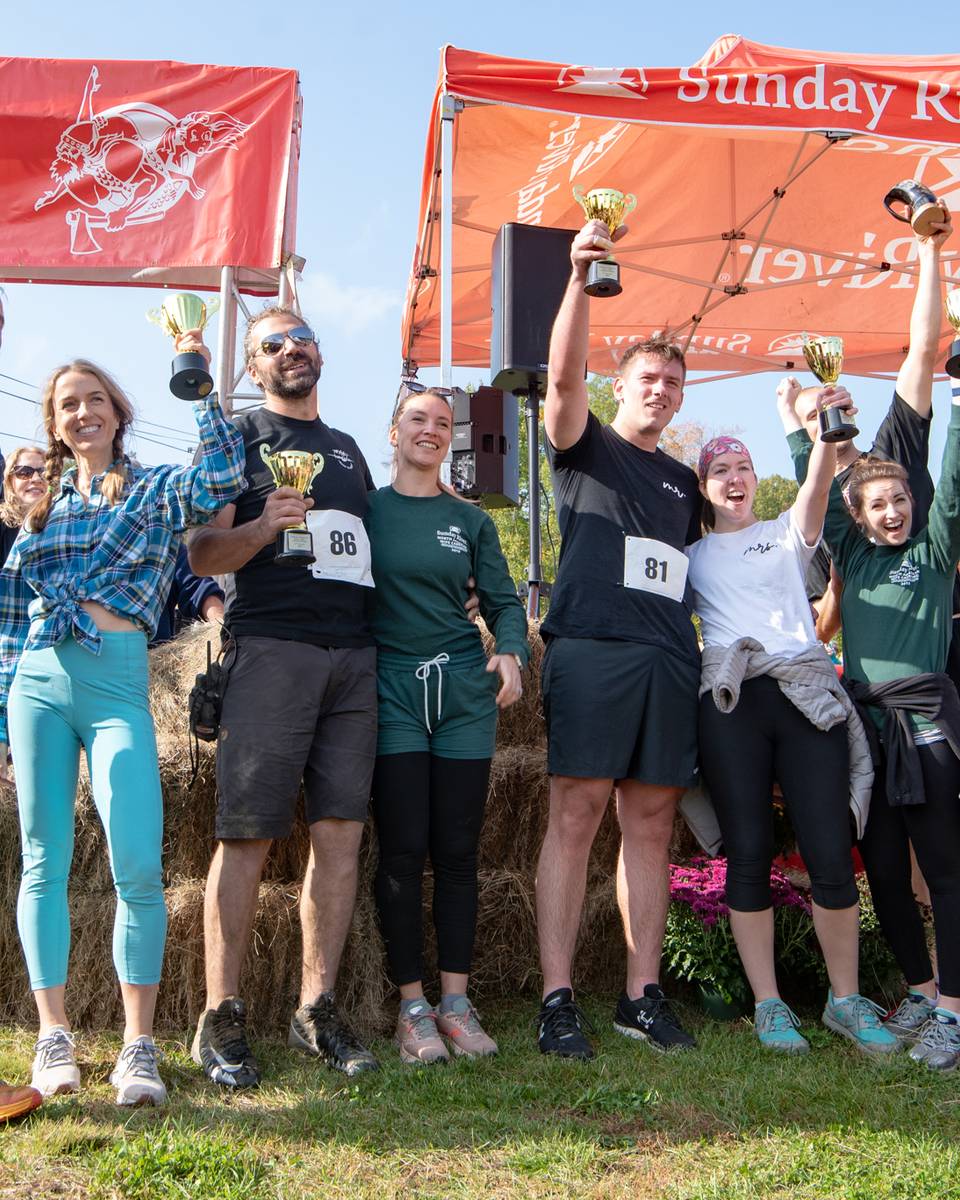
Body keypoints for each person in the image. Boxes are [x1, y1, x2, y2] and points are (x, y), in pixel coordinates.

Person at [0, 344, 244, 1105]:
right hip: (38, 681)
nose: (83, 412)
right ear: (55, 423)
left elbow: (222, 478)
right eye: (68, 404)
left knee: (136, 862)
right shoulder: (39, 505)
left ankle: (138, 1045)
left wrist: (199, 389)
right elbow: (10, 622)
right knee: (42, 859)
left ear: (118, 412)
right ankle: (53, 1035)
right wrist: (2, 722)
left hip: (117, 685)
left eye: (95, 399)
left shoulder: (154, 489)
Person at [187, 306, 381, 1087]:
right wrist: (264, 527)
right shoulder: (234, 438)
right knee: (246, 836)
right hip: (270, 648)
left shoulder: (349, 448)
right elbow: (202, 553)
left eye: (303, 338)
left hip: (354, 658)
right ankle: (220, 1014)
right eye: (274, 343)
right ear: (252, 365)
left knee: (340, 836)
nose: (293, 349)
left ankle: (316, 1011)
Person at [687, 385, 897, 1056]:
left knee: (829, 848)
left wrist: (823, 429)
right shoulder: (691, 557)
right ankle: (769, 1005)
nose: (734, 477)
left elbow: (818, 483)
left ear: (755, 478)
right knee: (747, 851)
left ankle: (845, 1000)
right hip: (732, 701)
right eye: (720, 469)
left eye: (743, 466)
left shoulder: (785, 533)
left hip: (805, 693)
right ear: (704, 487)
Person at [534, 218, 701, 1059]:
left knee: (653, 823)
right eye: (648, 378)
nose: (660, 390)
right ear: (621, 384)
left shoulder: (685, 481)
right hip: (592, 647)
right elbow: (562, 377)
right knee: (576, 813)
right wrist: (579, 278)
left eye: (673, 381)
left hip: (667, 658)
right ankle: (557, 998)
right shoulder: (586, 444)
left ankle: (642, 995)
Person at [789, 385, 960, 1072]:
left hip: (926, 732)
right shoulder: (854, 558)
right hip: (867, 734)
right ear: (858, 518)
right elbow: (821, 499)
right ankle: (920, 990)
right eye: (878, 505)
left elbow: (953, 491)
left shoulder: (936, 551)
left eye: (900, 500)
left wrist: (959, 403)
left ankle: (952, 1011)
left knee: (943, 872)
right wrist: (802, 431)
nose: (892, 512)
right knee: (884, 873)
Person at [367, 387, 527, 1063]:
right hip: (393, 692)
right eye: (417, 419)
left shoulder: (470, 521)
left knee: (459, 852)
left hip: (462, 692)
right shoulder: (365, 510)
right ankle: (413, 1009)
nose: (430, 430)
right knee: (404, 851)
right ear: (393, 432)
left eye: (442, 422)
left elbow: (504, 601)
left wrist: (511, 651)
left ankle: (456, 1005)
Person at [802, 217, 952, 638]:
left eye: (835, 402)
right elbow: (821, 630)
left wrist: (929, 251)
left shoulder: (891, 453)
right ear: (803, 434)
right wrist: (840, 579)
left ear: (852, 409)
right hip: (883, 652)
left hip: (949, 631)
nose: (828, 412)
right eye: (815, 413)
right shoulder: (814, 512)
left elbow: (922, 353)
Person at [0, 445, 46, 567]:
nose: (36, 479)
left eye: (44, 473)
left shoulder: (64, 522)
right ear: (10, 481)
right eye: (25, 472)